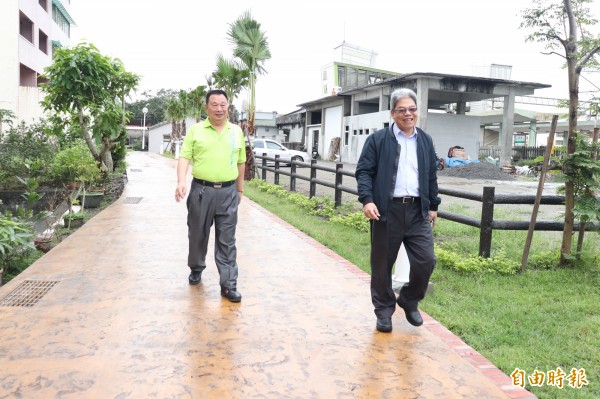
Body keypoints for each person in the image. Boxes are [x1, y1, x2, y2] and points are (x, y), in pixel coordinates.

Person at [355, 88, 441, 332]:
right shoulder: (378, 140)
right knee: (382, 265)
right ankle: (384, 311)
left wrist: (433, 205)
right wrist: (367, 200)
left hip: (417, 212)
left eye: (412, 109)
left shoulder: (424, 140)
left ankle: (408, 299)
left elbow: (430, 174)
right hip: (386, 211)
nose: (408, 114)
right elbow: (364, 172)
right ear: (392, 113)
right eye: (402, 110)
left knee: (426, 261)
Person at [175, 89, 246, 303]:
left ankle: (228, 285)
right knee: (197, 234)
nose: (219, 109)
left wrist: (240, 189)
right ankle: (196, 268)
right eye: (214, 104)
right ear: (206, 107)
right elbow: (185, 157)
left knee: (227, 240)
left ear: (228, 107)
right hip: (201, 191)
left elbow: (241, 162)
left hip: (228, 192)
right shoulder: (196, 131)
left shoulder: (236, 131)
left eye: (223, 104)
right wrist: (181, 181)